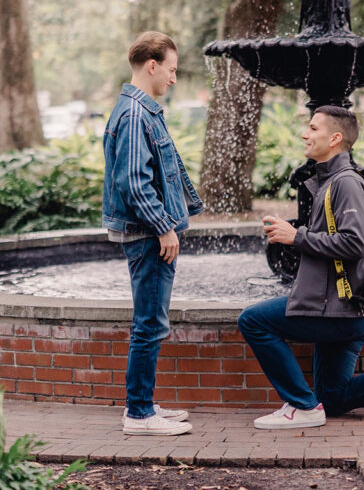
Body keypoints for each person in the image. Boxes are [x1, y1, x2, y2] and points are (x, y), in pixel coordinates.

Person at [239, 105, 364, 429]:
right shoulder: (330, 181)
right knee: (333, 397)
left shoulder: (346, 183)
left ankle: (301, 406)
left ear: (335, 138)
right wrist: (294, 236)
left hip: (340, 309)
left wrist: (297, 236)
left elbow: (354, 243)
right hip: (343, 309)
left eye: (312, 128)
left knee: (253, 321)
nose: (304, 134)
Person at [102, 31, 204, 436]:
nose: (174, 79)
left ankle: (144, 404)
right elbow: (133, 182)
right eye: (172, 69)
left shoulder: (140, 111)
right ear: (152, 66)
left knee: (150, 322)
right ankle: (139, 414)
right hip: (147, 236)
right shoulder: (134, 114)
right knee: (149, 324)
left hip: (148, 233)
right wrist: (164, 228)